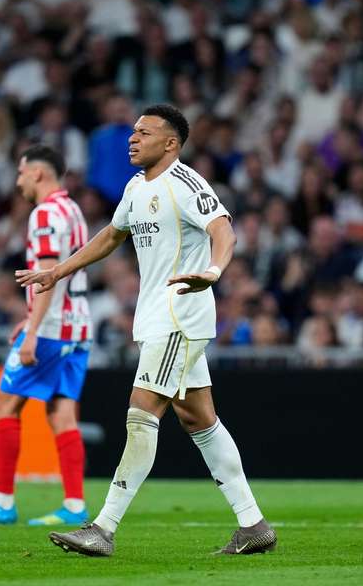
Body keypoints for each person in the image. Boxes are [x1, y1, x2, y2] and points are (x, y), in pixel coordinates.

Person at [18, 104, 276, 556]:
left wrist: (214, 271)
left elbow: (224, 231)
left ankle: (103, 528)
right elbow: (111, 235)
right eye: (133, 132)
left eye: (144, 133)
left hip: (180, 314)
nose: (133, 139)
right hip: (157, 315)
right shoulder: (136, 186)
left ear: (171, 143)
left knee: (142, 411)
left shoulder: (187, 183)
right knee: (199, 419)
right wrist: (59, 271)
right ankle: (253, 525)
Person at [0, 144, 92, 527]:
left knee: (4, 405)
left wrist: (33, 330)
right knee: (61, 413)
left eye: (21, 172)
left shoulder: (45, 213)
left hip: (51, 330)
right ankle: (75, 506)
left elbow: (48, 275)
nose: (17, 181)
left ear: (38, 173)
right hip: (78, 325)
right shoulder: (73, 210)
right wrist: (31, 317)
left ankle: (2, 503)